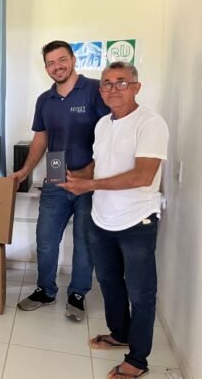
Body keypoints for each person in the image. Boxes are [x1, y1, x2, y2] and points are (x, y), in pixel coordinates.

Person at [59, 61, 168, 379]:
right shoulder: (103, 124)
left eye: (121, 82)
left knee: (141, 293)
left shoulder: (150, 123)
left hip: (136, 221)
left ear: (136, 87)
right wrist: (75, 177)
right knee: (108, 282)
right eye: (106, 83)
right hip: (102, 219)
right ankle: (120, 333)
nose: (112, 89)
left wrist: (89, 185)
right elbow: (99, 164)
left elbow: (143, 175)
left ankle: (138, 360)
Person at [11, 40, 110, 321]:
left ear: (73, 59)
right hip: (55, 180)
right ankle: (45, 290)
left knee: (84, 242)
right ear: (46, 68)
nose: (57, 67)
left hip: (89, 183)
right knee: (45, 239)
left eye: (62, 60)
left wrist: (90, 172)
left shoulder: (94, 90)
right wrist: (24, 171)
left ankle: (77, 294)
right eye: (51, 63)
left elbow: (110, 134)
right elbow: (40, 140)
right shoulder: (45, 100)